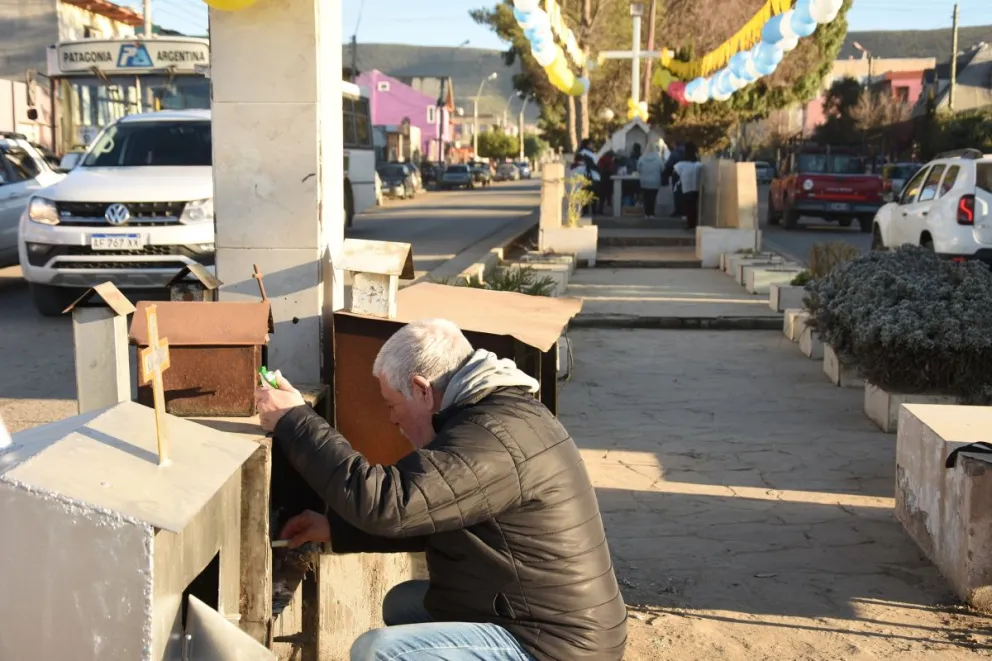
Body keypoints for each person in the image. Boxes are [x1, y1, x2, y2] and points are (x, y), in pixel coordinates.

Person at [255, 319, 628, 661]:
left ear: (421, 390)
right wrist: (335, 528)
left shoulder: (492, 437)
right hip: (544, 618)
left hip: (555, 646)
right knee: (404, 605)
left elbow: (389, 504)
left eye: (392, 404)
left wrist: (294, 421)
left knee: (380, 652)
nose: (391, 418)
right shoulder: (497, 413)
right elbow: (433, 512)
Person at [673, 141, 703, 229]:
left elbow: (675, 175)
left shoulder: (680, 165)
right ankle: (694, 223)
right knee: (694, 206)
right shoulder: (699, 165)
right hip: (696, 188)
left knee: (688, 206)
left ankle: (690, 224)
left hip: (686, 188)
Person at [636, 140, 664, 219]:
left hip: (644, 181)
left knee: (646, 198)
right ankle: (651, 213)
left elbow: (638, 169)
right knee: (653, 197)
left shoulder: (642, 158)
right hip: (655, 181)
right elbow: (662, 168)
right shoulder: (658, 158)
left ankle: (646, 213)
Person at [662, 139, 686, 216]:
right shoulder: (686, 151)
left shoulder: (675, 152)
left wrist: (665, 174)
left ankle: (678, 210)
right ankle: (684, 211)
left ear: (675, 144)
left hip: (677, 174)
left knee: (677, 192)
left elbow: (669, 164)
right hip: (687, 174)